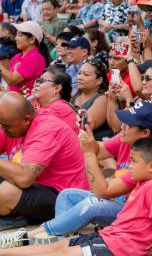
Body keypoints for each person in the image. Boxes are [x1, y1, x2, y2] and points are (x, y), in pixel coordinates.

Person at [0, 102, 152, 247]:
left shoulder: (149, 163)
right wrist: (88, 133)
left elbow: (102, 191)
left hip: (147, 221)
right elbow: (98, 150)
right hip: (128, 208)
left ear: (145, 133)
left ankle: (30, 236)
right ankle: (61, 238)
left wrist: (89, 154)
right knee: (67, 195)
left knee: (94, 204)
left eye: (128, 124)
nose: (121, 126)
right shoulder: (127, 140)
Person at [0, 137, 152, 256]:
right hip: (110, 237)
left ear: (151, 166)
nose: (129, 165)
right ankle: (2, 255)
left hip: (120, 249)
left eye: (134, 161)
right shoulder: (143, 183)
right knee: (58, 246)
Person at [0, 93, 89, 230]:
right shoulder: (13, 123)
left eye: (6, 126)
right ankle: (11, 214)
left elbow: (24, 178)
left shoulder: (47, 128)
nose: (3, 129)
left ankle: (13, 216)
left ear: (26, 119)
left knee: (5, 192)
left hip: (65, 199)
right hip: (37, 187)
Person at [0, 21, 48, 96]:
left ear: (32, 39)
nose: (16, 38)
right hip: (14, 100)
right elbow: (10, 85)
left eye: (20, 35)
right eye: (16, 35)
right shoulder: (17, 57)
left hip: (26, 103)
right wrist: (5, 94)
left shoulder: (35, 58)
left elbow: (12, 80)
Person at [70, 58, 112, 140]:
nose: (80, 77)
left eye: (86, 75)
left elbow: (84, 126)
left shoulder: (103, 98)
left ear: (99, 80)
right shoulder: (76, 93)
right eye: (79, 73)